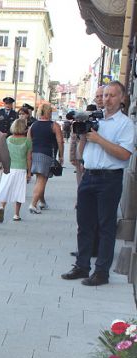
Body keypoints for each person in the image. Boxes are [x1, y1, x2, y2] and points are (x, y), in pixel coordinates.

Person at [61, 81, 134, 286]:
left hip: (109, 179)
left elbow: (124, 154)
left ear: (121, 99)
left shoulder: (125, 124)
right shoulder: (95, 120)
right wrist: (84, 136)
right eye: (103, 95)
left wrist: (99, 139)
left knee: (105, 226)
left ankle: (101, 272)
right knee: (84, 224)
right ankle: (82, 265)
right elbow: (82, 153)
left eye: (111, 95)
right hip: (89, 176)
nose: (106, 99)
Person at [27, 103, 64, 214]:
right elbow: (60, 141)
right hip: (47, 154)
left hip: (34, 154)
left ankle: (42, 202)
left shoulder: (33, 125)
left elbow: (28, 142)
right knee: (42, 180)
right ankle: (33, 204)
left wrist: (28, 157)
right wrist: (61, 155)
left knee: (40, 179)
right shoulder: (54, 125)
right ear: (49, 112)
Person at [0, 118, 32, 222]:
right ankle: (16, 214)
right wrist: (29, 172)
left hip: (9, 168)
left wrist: (2, 166)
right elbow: (29, 158)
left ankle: (2, 207)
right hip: (21, 169)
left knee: (6, 188)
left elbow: (4, 155)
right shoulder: (27, 141)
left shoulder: (8, 139)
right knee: (19, 191)